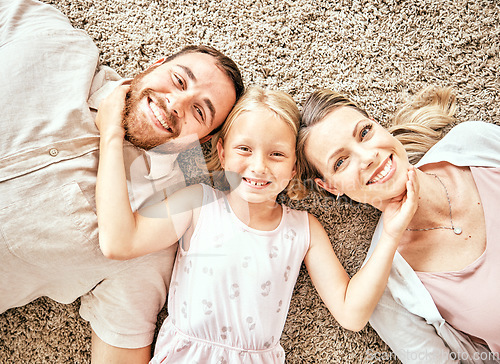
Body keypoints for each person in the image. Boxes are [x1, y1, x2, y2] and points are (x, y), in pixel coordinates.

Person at [95, 85, 418, 363]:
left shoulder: (304, 229)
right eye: (244, 149)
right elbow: (120, 242)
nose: (259, 166)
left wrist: (390, 234)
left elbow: (352, 314)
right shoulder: (198, 202)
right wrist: (111, 136)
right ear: (221, 152)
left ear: (294, 167)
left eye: (277, 154)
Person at [0, 0, 244, 363]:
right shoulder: (56, 44)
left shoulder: (151, 228)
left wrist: (111, 134)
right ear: (155, 64)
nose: (176, 103)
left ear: (203, 140)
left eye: (199, 111)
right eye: (178, 80)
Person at [297, 86, 500, 363]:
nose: (368, 156)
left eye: (365, 133)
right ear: (331, 187)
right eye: (341, 162)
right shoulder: (386, 288)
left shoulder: (475, 143)